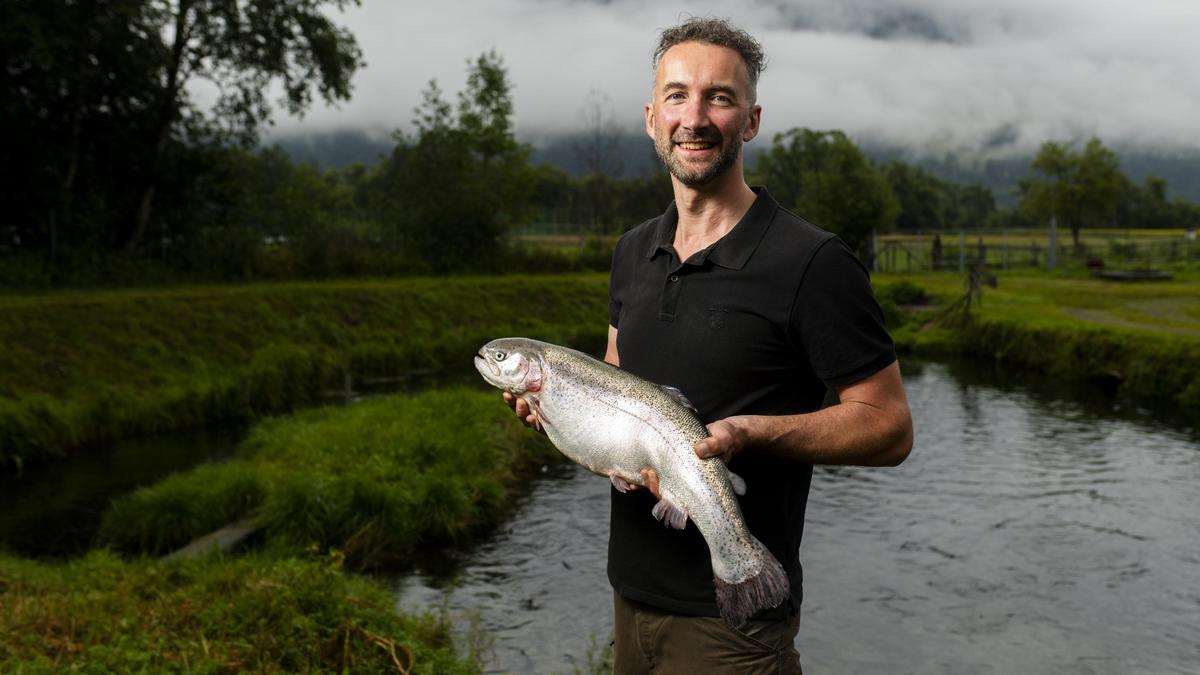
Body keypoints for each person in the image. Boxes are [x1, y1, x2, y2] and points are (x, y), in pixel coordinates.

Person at [506, 17, 913, 674]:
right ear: (650, 116)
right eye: (677, 95)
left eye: (718, 98)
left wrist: (755, 433)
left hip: (733, 627)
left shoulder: (813, 262)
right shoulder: (633, 250)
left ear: (750, 120)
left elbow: (890, 427)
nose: (693, 117)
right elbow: (616, 382)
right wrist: (558, 410)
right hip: (630, 599)